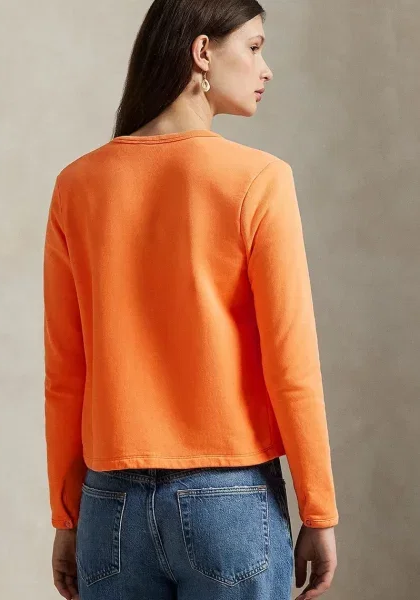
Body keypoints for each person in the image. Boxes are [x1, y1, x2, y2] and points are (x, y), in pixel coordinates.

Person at [43, 1, 339, 599]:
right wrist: (319, 509)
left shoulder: (78, 185)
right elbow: (291, 366)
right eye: (253, 47)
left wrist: (67, 515)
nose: (266, 68)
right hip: (231, 499)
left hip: (110, 505)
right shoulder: (258, 179)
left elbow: (65, 375)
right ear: (203, 51)